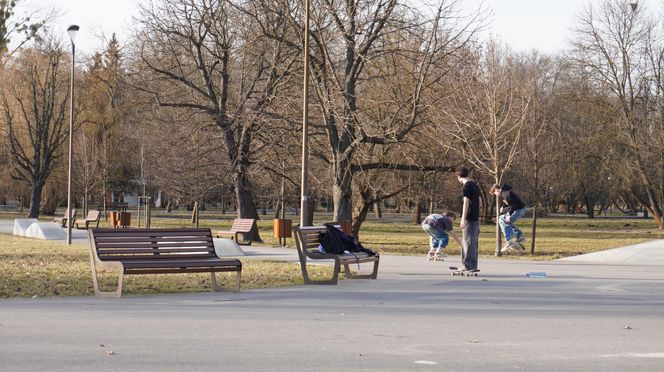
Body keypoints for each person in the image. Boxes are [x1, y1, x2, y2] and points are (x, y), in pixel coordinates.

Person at [456, 165, 481, 271]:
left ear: (458, 176)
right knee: (474, 242)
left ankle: (467, 265)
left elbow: (466, 202)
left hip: (469, 218)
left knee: (467, 242)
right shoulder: (475, 185)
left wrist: (463, 218)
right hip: (475, 217)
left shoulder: (466, 186)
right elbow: (480, 202)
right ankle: (473, 265)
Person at [491, 184, 526, 253]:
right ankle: (520, 236)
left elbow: (513, 205)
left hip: (518, 211)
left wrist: (509, 214)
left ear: (496, 190)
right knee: (507, 222)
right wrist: (503, 207)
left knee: (501, 219)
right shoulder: (506, 192)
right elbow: (510, 202)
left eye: (495, 194)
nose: (497, 196)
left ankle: (509, 241)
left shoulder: (505, 194)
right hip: (520, 210)